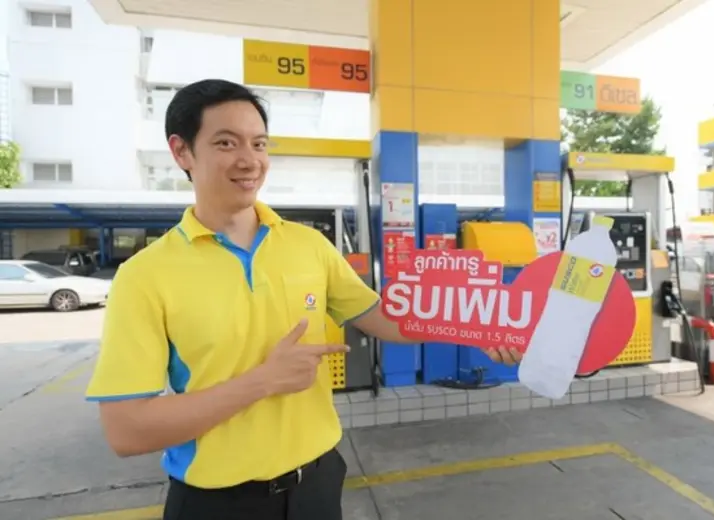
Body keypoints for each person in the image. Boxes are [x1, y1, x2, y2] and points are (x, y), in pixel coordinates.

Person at [85, 79, 521, 520]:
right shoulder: (143, 276)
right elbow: (127, 430)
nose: (249, 160)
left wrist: (472, 327)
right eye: (225, 142)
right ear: (181, 152)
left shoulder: (309, 245)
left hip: (316, 486)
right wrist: (263, 381)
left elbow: (383, 316)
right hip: (216, 502)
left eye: (259, 143)